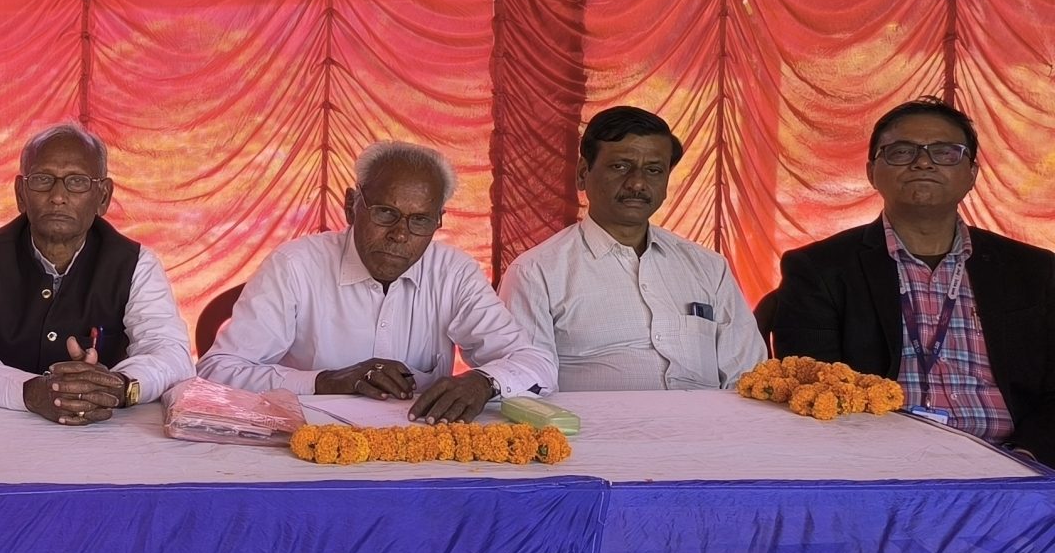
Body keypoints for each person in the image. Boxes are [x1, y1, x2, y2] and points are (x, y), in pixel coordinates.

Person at [198, 141, 554, 422]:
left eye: (420, 220)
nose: (400, 234)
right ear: (351, 205)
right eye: (386, 213)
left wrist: (484, 382)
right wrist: (325, 381)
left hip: (421, 453)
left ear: (438, 222)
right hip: (308, 448)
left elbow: (537, 365)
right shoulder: (295, 267)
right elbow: (217, 372)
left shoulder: (453, 273)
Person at [776, 98, 1053, 455]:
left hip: (1013, 460)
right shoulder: (818, 269)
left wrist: (1026, 457)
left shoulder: (1034, 270)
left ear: (972, 173)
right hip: (878, 460)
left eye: (945, 152)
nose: (923, 162)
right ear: (871, 172)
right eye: (901, 152)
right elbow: (815, 388)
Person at [0, 124, 191, 424]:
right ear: (21, 193)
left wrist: (116, 386)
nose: (58, 196)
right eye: (42, 180)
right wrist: (31, 392)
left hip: (102, 433)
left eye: (77, 182)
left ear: (103, 196)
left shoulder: (136, 264)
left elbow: (172, 354)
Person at [500, 107, 765, 390]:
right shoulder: (536, 273)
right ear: (582, 173)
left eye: (654, 170)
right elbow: (526, 384)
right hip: (593, 421)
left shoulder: (709, 268)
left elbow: (749, 379)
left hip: (707, 419)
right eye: (620, 166)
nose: (637, 183)